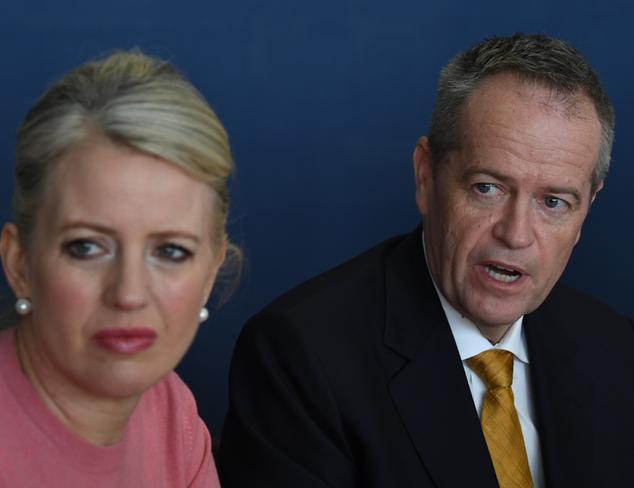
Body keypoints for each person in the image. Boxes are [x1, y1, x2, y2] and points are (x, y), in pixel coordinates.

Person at [218, 33, 634, 487]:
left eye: (553, 202)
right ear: (425, 176)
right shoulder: (302, 357)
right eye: (487, 188)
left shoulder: (615, 350)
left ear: (587, 209)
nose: (516, 234)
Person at [0, 50, 237, 487]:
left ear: (210, 274)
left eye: (171, 251)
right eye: (86, 247)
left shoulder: (169, 409)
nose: (129, 293)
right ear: (19, 262)